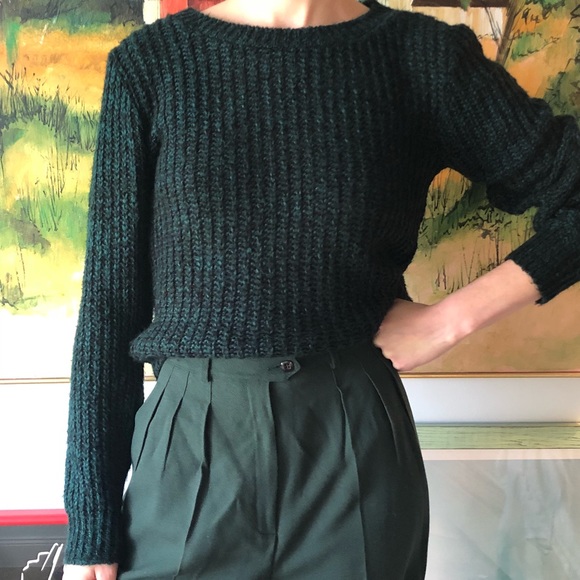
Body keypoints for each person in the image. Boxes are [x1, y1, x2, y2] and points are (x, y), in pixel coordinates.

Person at [62, 0, 580, 578]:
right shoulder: (153, 64)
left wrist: (449, 321)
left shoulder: (421, 57)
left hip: (354, 448)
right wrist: (91, 525)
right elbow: (110, 305)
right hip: (191, 448)